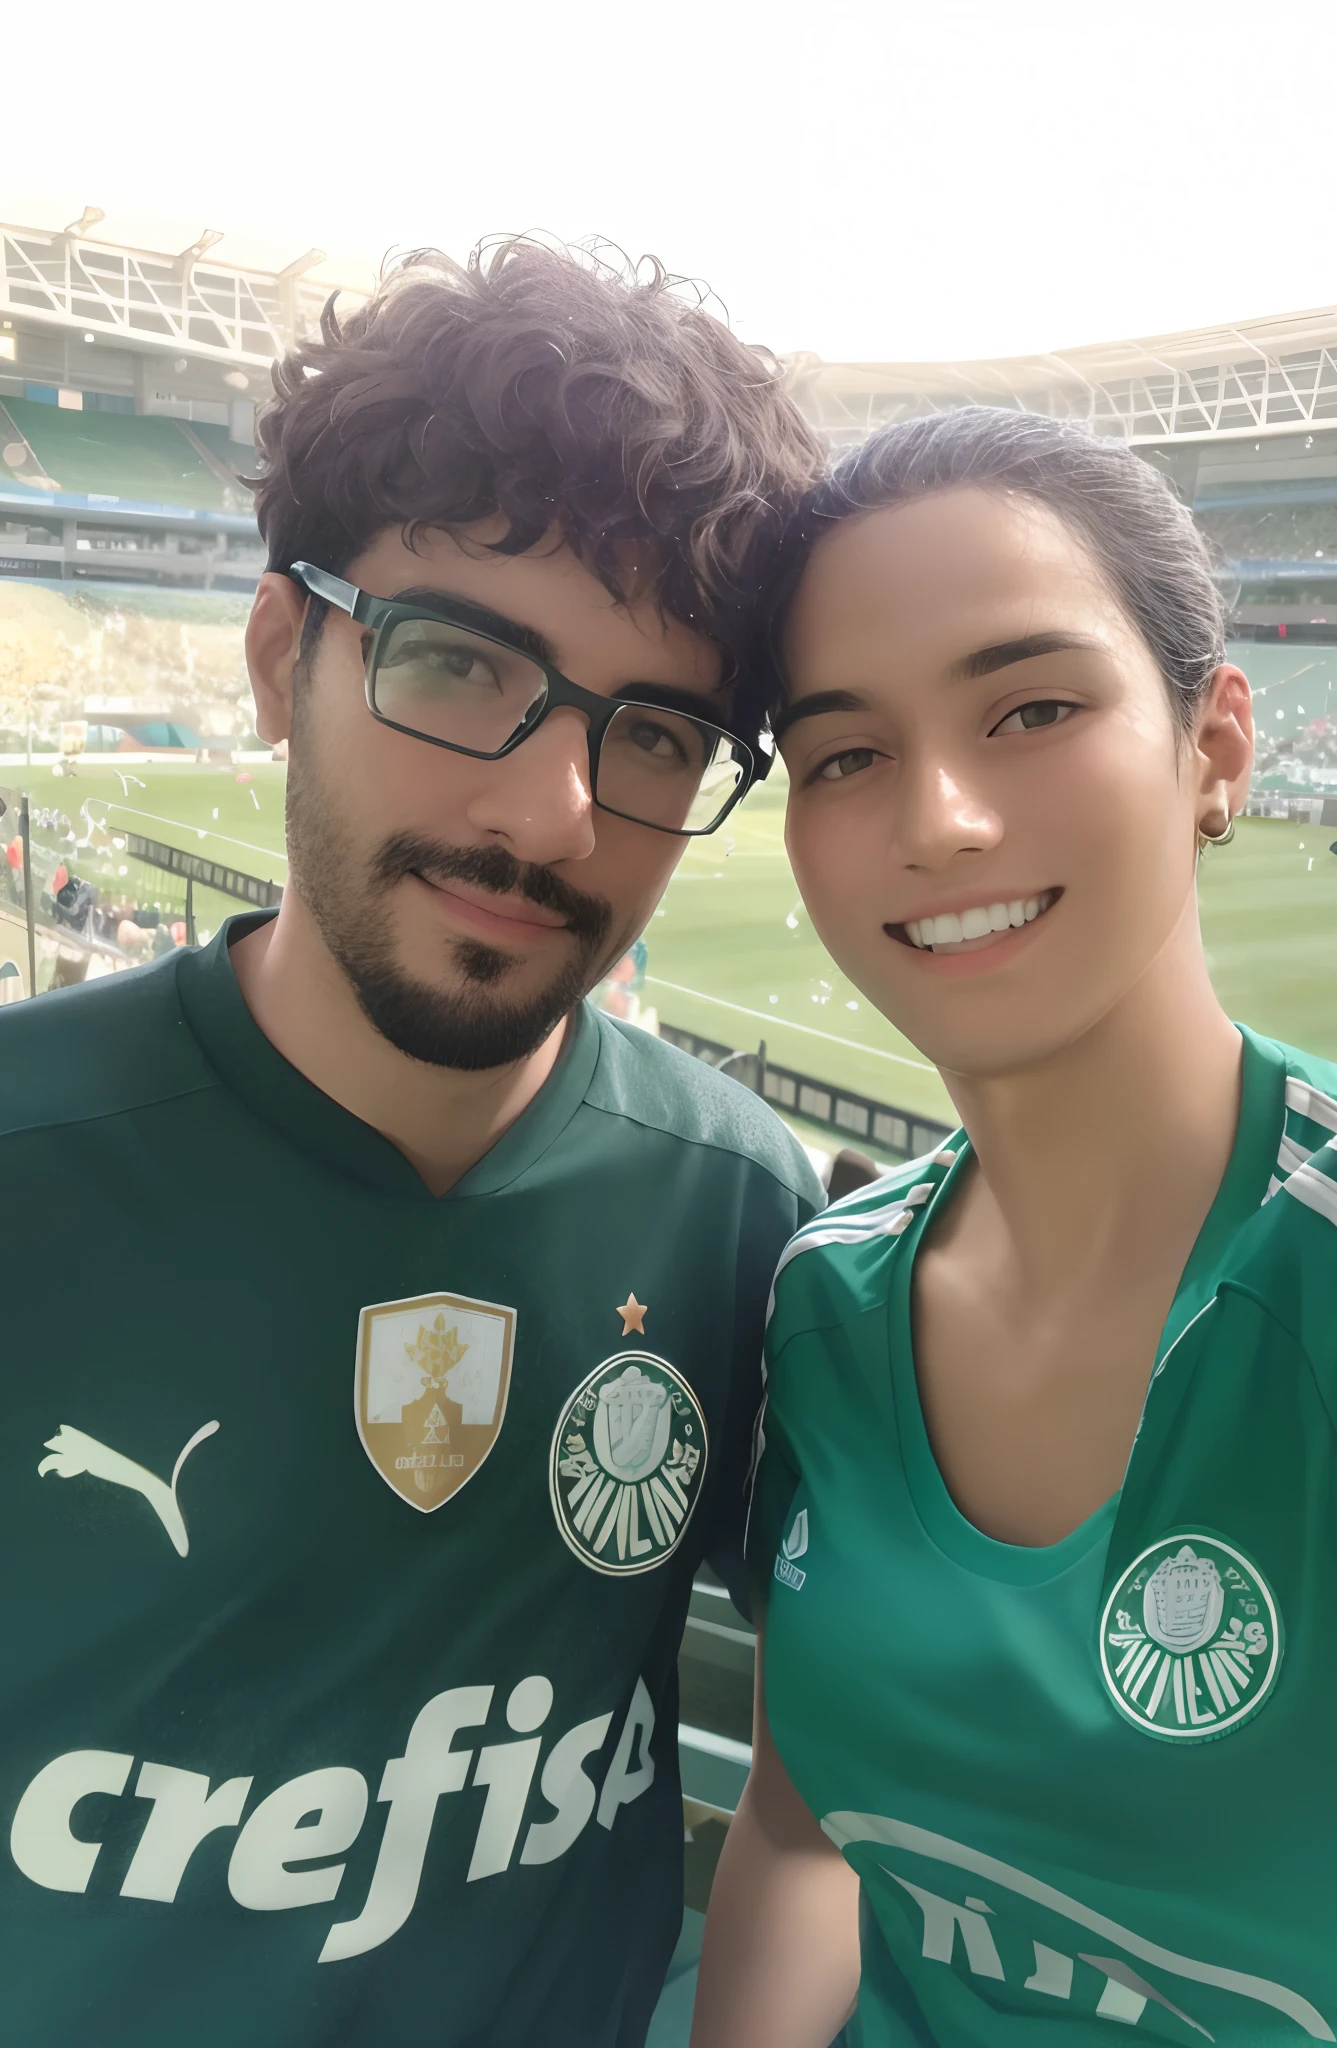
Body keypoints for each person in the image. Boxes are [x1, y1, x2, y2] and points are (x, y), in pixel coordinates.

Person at [0, 238, 825, 2048]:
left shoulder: (748, 1213)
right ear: (286, 650)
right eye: (459, 665)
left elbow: (844, 1785)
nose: (546, 811)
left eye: (657, 736)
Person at [692, 407, 1337, 2046]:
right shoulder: (825, 1311)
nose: (938, 817)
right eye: (846, 753)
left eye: (1033, 708)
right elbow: (802, 1834)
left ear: (1213, 747)